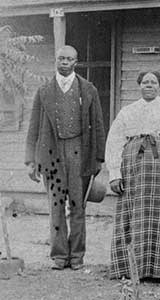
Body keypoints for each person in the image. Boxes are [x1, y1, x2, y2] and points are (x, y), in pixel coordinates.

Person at [105, 71, 160, 282]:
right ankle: (132, 269)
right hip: (135, 167)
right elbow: (114, 141)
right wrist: (115, 174)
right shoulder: (128, 111)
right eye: (145, 82)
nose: (149, 85)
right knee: (136, 212)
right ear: (139, 85)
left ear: (159, 86)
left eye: (153, 82)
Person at [25, 45, 106, 270]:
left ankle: (77, 256)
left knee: (78, 206)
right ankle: (59, 256)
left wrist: (99, 157)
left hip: (79, 152)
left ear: (75, 62)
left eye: (69, 59)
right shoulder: (44, 91)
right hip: (51, 153)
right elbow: (33, 127)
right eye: (61, 58)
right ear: (55, 61)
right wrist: (30, 160)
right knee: (56, 205)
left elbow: (98, 124)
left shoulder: (88, 90)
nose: (64, 62)